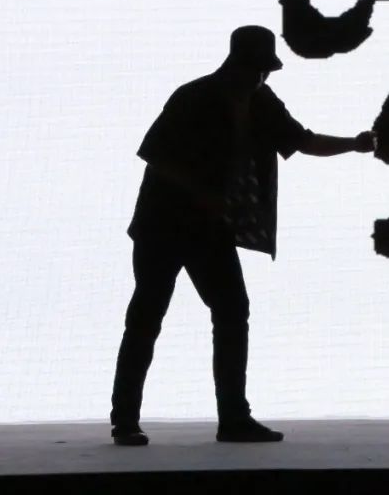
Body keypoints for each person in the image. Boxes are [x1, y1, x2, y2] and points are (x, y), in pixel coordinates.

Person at [110, 25, 375, 446]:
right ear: (235, 63)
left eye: (264, 71)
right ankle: (125, 419)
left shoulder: (261, 101)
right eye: (255, 69)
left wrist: (355, 144)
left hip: (209, 229)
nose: (260, 77)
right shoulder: (193, 97)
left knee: (232, 311)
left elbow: (303, 141)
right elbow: (155, 155)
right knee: (147, 315)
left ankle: (233, 418)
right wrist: (202, 193)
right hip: (163, 225)